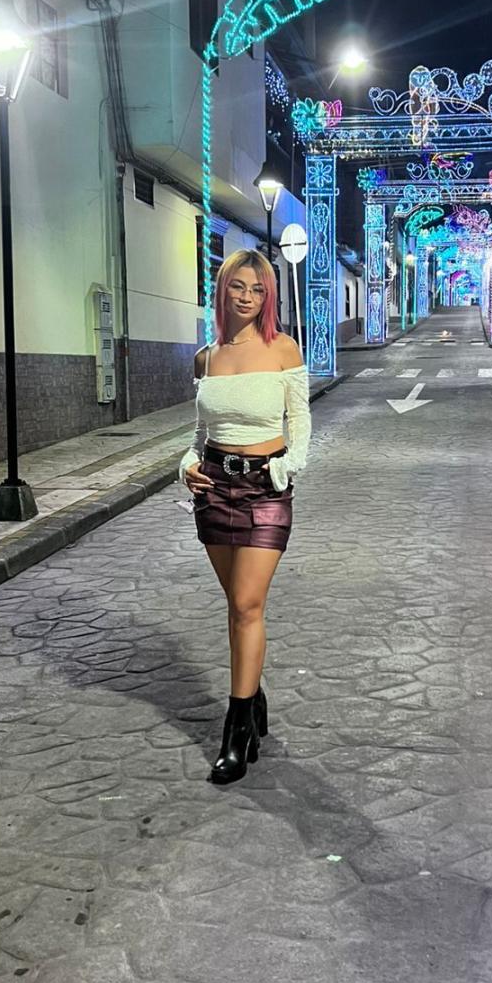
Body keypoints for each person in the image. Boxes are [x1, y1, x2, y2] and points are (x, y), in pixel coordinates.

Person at [179, 248, 311, 785]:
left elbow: (300, 421)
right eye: (239, 286)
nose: (248, 297)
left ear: (268, 297)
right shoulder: (205, 359)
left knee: (246, 603)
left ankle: (235, 734)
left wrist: (287, 468)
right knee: (237, 607)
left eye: (258, 289)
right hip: (214, 487)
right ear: (222, 289)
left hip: (265, 487)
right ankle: (253, 699)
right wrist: (187, 463)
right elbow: (199, 432)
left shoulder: (283, 348)